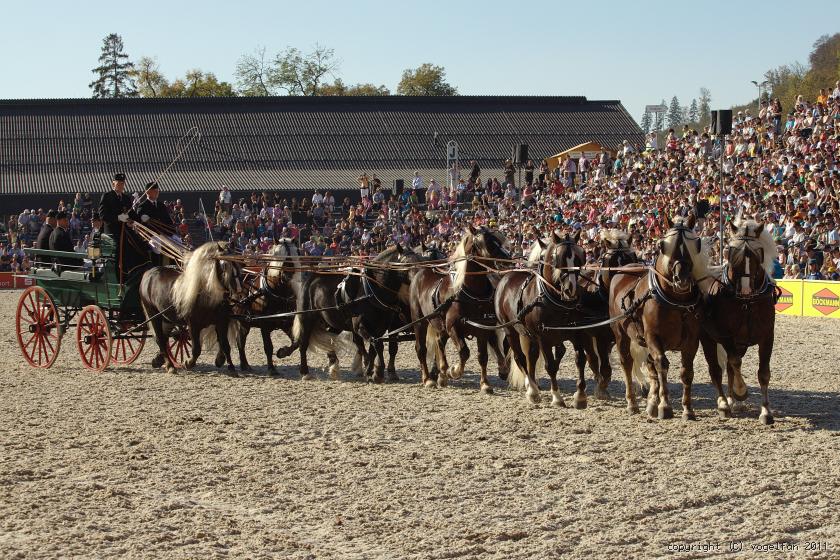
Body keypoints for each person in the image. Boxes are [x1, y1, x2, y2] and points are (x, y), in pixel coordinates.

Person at [98, 172, 148, 275]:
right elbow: (103, 215)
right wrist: (118, 218)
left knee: (140, 242)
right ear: (113, 184)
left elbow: (131, 213)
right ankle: (121, 273)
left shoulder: (126, 198)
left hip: (126, 229)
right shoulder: (107, 196)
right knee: (122, 246)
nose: (121, 186)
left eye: (122, 183)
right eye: (118, 183)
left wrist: (139, 219)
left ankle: (138, 269)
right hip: (113, 231)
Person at [138, 182, 175, 266]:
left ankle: (174, 267)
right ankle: (157, 268)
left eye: (157, 190)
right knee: (156, 244)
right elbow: (140, 223)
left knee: (177, 241)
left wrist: (171, 232)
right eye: (154, 190)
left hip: (164, 234)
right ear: (147, 192)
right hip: (150, 235)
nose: (157, 192)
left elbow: (168, 221)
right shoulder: (142, 206)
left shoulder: (161, 205)